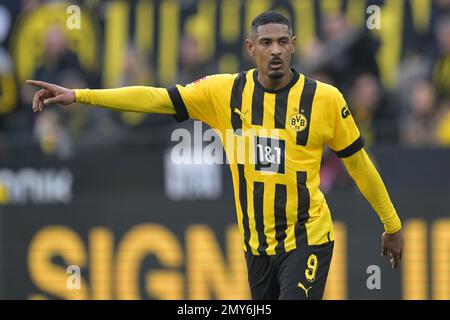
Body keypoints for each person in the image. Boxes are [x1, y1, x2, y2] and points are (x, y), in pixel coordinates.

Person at [27, 11, 403, 300]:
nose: (275, 50)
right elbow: (157, 97)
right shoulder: (223, 93)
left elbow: (358, 164)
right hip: (256, 246)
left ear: (293, 45)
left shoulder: (325, 99)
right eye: (266, 42)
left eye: (282, 42)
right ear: (250, 47)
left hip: (308, 239)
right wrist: (81, 95)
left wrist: (392, 224)